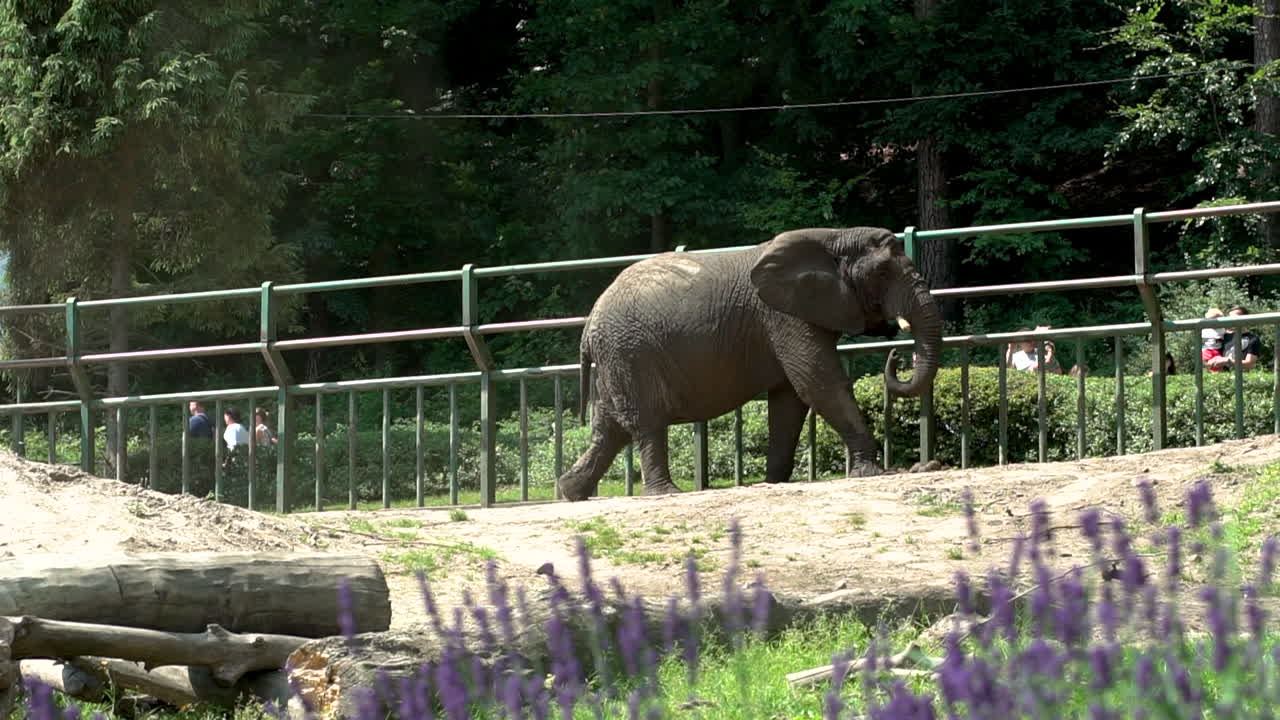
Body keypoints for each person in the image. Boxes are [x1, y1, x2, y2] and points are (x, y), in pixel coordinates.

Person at [1209, 306, 1262, 372]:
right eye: (1230, 318)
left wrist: (1228, 361)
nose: (1231, 320)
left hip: (1242, 376)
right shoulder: (1222, 336)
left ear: (1245, 319)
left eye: (1235, 317)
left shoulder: (1253, 339)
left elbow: (1249, 364)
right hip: (1220, 375)